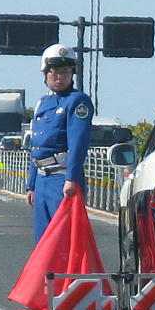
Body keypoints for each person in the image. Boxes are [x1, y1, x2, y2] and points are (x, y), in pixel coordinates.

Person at [25, 44, 94, 243]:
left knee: (62, 238)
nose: (59, 77)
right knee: (43, 240)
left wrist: (71, 179)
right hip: (41, 178)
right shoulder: (42, 103)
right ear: (45, 73)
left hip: (61, 178)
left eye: (65, 72)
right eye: (54, 72)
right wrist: (31, 185)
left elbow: (78, 142)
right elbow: (36, 146)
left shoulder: (77, 101)